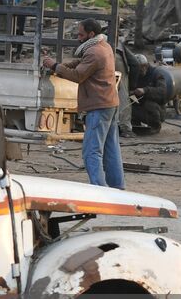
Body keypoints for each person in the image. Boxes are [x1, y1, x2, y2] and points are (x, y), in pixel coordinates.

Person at [41, 18, 123, 189]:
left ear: (91, 34)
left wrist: (55, 66)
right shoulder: (103, 46)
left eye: (81, 34)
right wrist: (59, 67)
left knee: (91, 151)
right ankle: (117, 187)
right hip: (110, 103)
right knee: (111, 149)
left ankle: (99, 189)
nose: (78, 38)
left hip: (99, 105)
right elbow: (79, 64)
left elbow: (78, 75)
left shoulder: (94, 52)